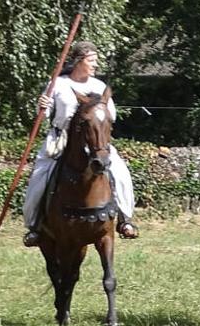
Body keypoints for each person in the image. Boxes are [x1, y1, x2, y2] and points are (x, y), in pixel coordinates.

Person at [22, 40, 139, 246]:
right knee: (39, 177)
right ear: (78, 61)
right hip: (61, 141)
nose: (95, 65)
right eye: (91, 60)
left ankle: (124, 219)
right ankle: (35, 226)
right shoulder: (57, 85)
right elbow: (44, 115)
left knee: (120, 173)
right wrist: (43, 105)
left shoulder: (99, 86)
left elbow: (110, 115)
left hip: (95, 141)